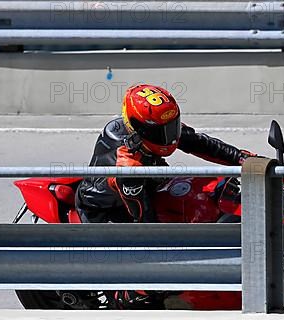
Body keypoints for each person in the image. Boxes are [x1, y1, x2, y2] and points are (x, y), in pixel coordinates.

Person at [75, 83, 256, 223]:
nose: (169, 137)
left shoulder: (157, 126)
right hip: (107, 209)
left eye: (172, 127)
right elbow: (145, 221)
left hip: (148, 181)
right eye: (163, 131)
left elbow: (201, 144)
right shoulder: (127, 166)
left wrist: (244, 159)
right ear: (138, 129)